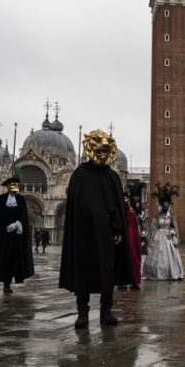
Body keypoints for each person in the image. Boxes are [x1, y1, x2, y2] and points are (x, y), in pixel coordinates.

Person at [58, 130, 134, 328]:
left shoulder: (112, 177)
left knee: (108, 271)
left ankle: (106, 311)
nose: (102, 153)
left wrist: (118, 229)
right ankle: (82, 313)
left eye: (105, 150)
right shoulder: (79, 175)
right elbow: (75, 206)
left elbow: (117, 206)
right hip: (84, 233)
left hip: (107, 234)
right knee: (83, 271)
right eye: (98, 149)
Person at [0, 177, 34, 295]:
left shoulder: (21, 200)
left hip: (14, 236)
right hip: (1, 235)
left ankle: (7, 284)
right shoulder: (0, 199)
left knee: (10, 259)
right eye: (12, 185)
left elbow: (24, 216)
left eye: (16, 185)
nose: (15, 187)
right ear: (8, 187)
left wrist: (17, 224)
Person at [142, 184, 184, 281]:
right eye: (163, 204)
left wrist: (171, 233)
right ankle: (155, 272)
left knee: (170, 256)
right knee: (157, 256)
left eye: (166, 204)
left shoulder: (171, 216)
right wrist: (150, 241)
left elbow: (174, 228)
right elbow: (153, 229)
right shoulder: (157, 217)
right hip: (158, 238)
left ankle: (172, 272)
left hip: (168, 238)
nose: (165, 206)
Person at [122, 184, 143, 289]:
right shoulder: (124, 210)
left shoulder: (132, 211)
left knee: (134, 257)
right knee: (123, 258)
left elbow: (136, 223)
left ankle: (134, 280)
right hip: (124, 234)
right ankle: (122, 281)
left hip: (132, 236)